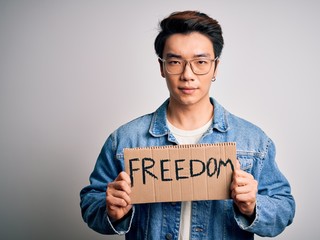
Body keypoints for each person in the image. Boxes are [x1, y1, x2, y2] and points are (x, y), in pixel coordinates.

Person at [80, 10, 295, 240]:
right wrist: (111, 211)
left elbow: (284, 210)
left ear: (215, 67)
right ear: (162, 67)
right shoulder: (124, 140)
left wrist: (253, 206)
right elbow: (91, 203)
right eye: (175, 62)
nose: (187, 74)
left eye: (200, 62)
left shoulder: (253, 142)